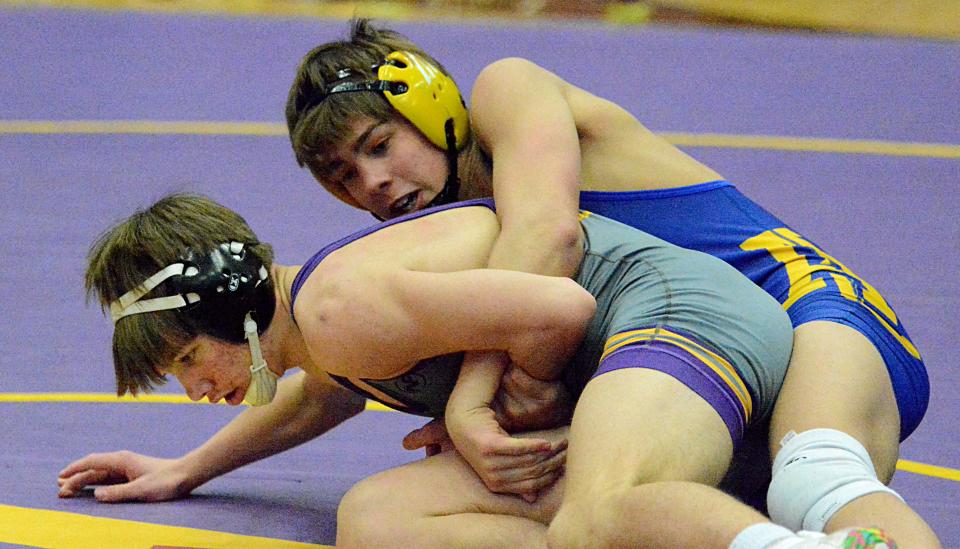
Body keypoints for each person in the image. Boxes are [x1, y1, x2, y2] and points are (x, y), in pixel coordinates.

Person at [283, 19, 939, 547]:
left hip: (811, 315)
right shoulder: (454, 239)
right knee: (603, 518)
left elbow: (549, 234)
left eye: (378, 145)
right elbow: (331, 382)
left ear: (430, 105)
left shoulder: (507, 95)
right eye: (342, 175)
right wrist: (192, 468)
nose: (370, 183)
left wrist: (470, 399)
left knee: (815, 478)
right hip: (711, 391)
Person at [59, 192, 881, 548]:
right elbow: (319, 399)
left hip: (682, 317)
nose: (197, 390)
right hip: (652, 382)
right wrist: (186, 468)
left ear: (225, 302)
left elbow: (562, 311)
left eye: (188, 360)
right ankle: (688, 512)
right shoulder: (317, 329)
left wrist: (496, 402)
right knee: (375, 522)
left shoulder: (340, 310)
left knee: (598, 520)